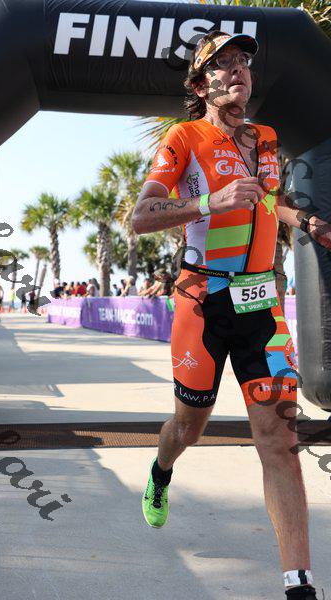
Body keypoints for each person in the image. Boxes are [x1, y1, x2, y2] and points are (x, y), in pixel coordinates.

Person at [133, 30, 331, 600]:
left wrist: (305, 221)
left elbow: (268, 198)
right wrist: (207, 202)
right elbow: (141, 216)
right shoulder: (183, 137)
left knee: (278, 439)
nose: (238, 69)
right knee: (188, 428)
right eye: (222, 63)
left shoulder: (264, 138)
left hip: (261, 303)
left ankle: (298, 584)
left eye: (243, 61)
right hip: (202, 302)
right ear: (201, 85)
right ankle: (162, 469)